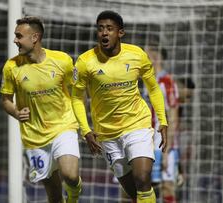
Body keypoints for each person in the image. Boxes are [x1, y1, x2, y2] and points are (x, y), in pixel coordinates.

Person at [71, 10, 168, 203]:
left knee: (142, 179)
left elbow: (154, 89)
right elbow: (76, 98)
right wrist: (86, 130)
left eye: (109, 29)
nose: (104, 33)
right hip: (107, 134)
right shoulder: (84, 62)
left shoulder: (137, 55)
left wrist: (163, 121)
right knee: (134, 194)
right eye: (100, 29)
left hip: (137, 125)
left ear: (120, 33)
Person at [0, 17, 81, 203]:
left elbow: (77, 92)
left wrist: (84, 124)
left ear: (35, 37)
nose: (15, 41)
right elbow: (5, 100)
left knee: (70, 175)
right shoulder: (11, 67)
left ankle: (74, 194)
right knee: (53, 195)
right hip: (34, 136)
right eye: (15, 36)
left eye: (19, 36)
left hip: (63, 126)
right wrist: (16, 112)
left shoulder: (62, 60)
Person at [145, 47, 181, 203]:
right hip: (144, 141)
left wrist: (167, 150)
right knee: (140, 186)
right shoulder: (142, 81)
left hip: (162, 143)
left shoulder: (167, 82)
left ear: (155, 58)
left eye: (146, 55)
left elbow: (173, 117)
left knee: (167, 186)